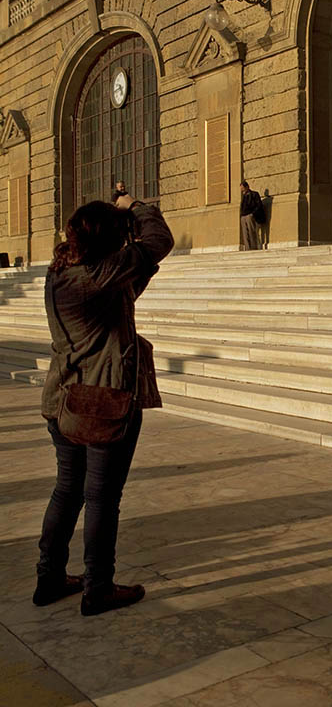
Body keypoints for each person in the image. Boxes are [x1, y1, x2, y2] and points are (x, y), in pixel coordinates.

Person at [34, 193, 174, 616]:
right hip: (102, 401)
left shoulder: (61, 273)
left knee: (67, 491)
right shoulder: (98, 278)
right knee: (100, 498)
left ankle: (50, 577)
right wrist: (136, 208)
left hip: (63, 401)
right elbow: (158, 242)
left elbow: (131, 280)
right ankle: (98, 587)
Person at [240, 180, 264, 250]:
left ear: (247, 187)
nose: (242, 190)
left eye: (242, 188)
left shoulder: (254, 194)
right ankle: (247, 248)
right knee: (245, 234)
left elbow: (258, 205)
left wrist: (252, 214)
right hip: (243, 216)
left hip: (250, 215)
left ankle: (253, 247)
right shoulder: (244, 196)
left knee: (251, 232)